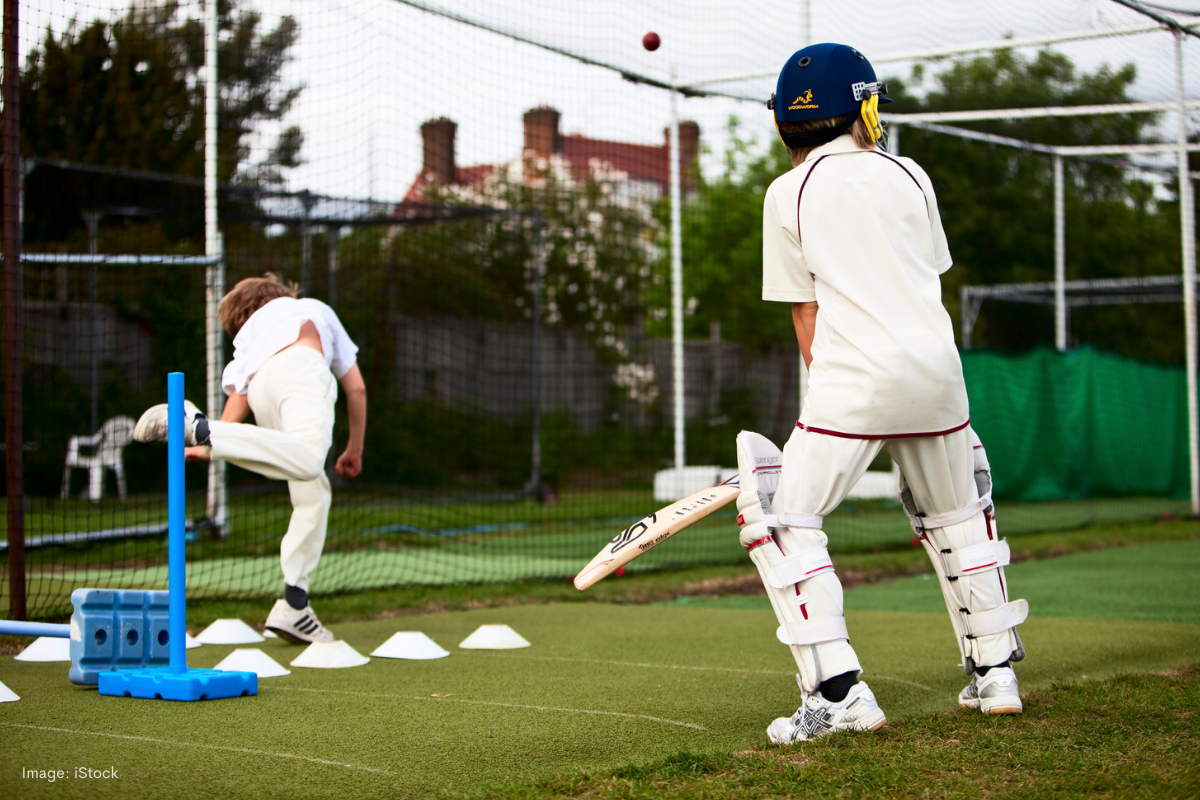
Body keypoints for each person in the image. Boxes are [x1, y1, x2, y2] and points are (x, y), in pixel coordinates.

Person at [735, 43, 1028, 745]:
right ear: (864, 108)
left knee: (781, 515)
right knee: (960, 516)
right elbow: (927, 275)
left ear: (785, 122)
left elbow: (806, 316)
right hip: (938, 375)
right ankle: (996, 674)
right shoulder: (911, 173)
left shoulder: (788, 191)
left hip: (856, 382)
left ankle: (837, 694)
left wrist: (825, 412)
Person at [134, 273, 366, 644]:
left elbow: (240, 396)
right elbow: (356, 387)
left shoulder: (254, 335)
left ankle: (295, 604)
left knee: (311, 489)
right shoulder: (310, 308)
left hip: (262, 389)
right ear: (279, 296)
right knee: (308, 461)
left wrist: (210, 445)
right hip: (304, 373)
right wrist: (354, 448)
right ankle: (195, 425)